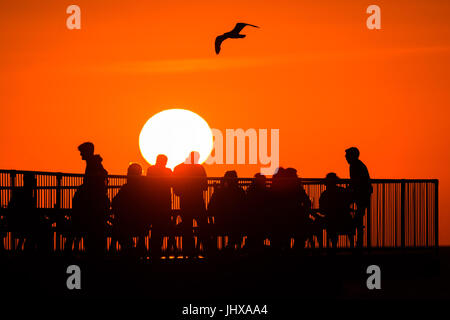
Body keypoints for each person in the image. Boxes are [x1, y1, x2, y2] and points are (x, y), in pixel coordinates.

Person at [70, 142, 110, 257]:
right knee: (95, 232)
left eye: (82, 152)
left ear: (87, 152)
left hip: (93, 204)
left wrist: (84, 189)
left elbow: (95, 180)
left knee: (91, 231)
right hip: (96, 202)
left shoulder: (93, 164)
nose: (81, 155)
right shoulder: (94, 163)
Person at [172, 151, 209, 257]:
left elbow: (176, 187)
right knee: (203, 226)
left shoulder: (178, 168)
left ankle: (189, 251)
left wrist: (181, 192)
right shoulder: (200, 168)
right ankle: (208, 250)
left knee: (187, 227)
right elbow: (205, 186)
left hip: (185, 201)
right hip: (198, 201)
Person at [111, 163, 149, 257]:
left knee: (118, 228)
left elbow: (115, 202)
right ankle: (137, 248)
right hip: (140, 223)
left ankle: (127, 249)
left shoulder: (126, 189)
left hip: (127, 223)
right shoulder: (144, 188)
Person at [7, 173, 51, 252]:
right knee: (42, 228)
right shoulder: (25, 194)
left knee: (40, 227)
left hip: (20, 222)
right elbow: (29, 212)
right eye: (33, 181)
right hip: (22, 223)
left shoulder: (23, 192)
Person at [208, 170, 246, 252]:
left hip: (221, 223)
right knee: (236, 222)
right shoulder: (240, 192)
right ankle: (232, 246)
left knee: (234, 222)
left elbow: (210, 208)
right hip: (236, 224)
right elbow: (245, 208)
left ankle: (229, 247)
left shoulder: (219, 192)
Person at [345, 147, 373, 248]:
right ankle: (358, 240)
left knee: (358, 216)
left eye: (347, 155)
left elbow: (356, 181)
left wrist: (348, 190)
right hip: (362, 193)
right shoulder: (357, 165)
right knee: (359, 216)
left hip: (362, 194)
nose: (345, 157)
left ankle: (358, 240)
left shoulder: (355, 166)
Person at [318, 173, 354, 248]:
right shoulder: (343, 191)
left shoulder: (324, 194)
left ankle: (327, 247)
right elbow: (350, 201)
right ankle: (352, 247)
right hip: (346, 220)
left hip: (331, 222)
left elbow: (322, 211)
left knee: (321, 223)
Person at [146, 154, 173, 256]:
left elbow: (148, 183)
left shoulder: (150, 170)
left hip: (153, 203)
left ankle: (153, 250)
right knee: (161, 227)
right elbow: (172, 183)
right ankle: (159, 250)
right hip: (165, 203)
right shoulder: (168, 171)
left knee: (155, 228)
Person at [244, 173, 271, 253]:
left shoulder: (250, 192)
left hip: (251, 222)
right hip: (263, 222)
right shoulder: (267, 193)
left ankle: (252, 246)